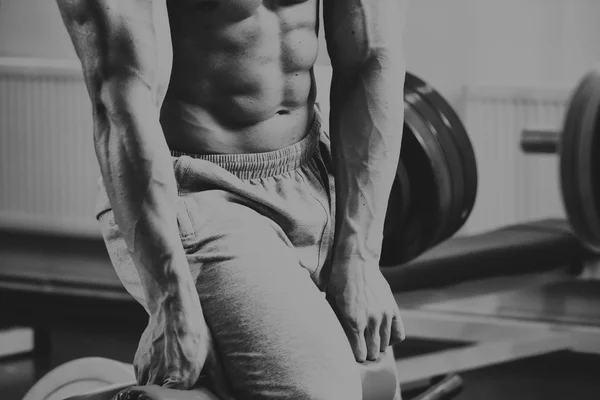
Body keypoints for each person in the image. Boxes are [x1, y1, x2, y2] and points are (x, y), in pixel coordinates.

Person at [56, 0, 408, 399]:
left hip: (311, 171)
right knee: (322, 391)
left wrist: (360, 257)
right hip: (192, 193)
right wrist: (169, 300)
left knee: (376, 386)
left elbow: (371, 57)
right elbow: (121, 94)